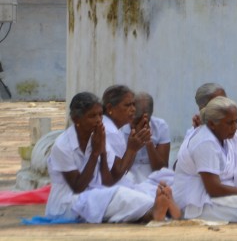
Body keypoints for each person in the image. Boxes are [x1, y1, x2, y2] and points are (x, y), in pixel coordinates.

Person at [46, 91, 180, 223]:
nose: (99, 120)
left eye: (100, 115)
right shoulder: (62, 146)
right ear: (76, 120)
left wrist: (106, 152)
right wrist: (95, 153)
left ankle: (160, 209)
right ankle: (156, 212)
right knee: (119, 194)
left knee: (137, 191)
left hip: (96, 193)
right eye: (92, 116)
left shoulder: (97, 136)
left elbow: (108, 181)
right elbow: (78, 187)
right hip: (68, 203)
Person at [100, 85, 151, 186]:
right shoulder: (109, 131)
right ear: (110, 108)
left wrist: (137, 142)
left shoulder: (114, 128)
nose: (133, 109)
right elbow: (114, 177)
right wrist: (132, 149)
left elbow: (125, 168)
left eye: (133, 104)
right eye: (127, 105)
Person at [190, 83, 237, 158]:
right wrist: (200, 131)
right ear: (202, 108)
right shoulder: (196, 129)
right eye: (218, 102)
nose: (234, 127)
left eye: (225, 99)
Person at [126, 91, 171, 183]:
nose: (140, 123)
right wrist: (135, 142)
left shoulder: (160, 126)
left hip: (153, 175)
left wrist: (148, 142)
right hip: (129, 174)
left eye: (144, 119)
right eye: (137, 120)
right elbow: (122, 169)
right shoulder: (122, 127)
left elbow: (161, 169)